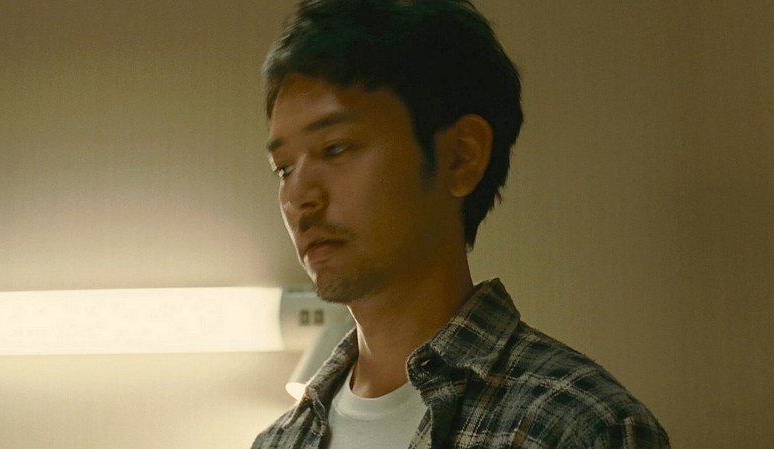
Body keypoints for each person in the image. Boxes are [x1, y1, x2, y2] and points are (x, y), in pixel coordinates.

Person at [253, 0, 670, 447]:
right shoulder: (279, 441)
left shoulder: (579, 426)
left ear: (460, 158)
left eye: (336, 148)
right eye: (284, 168)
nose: (298, 197)